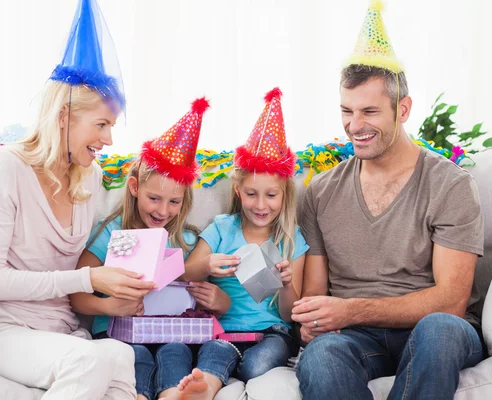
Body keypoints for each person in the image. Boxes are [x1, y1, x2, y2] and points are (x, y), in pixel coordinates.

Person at [0, 1, 155, 398]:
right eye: (101, 124)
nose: (108, 140)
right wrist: (89, 278)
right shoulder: (6, 170)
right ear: (64, 117)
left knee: (119, 355)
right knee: (90, 360)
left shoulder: (89, 177)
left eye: (111, 126)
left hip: (63, 333)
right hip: (1, 331)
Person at [292, 2, 485, 399]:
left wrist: (350, 309)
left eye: (369, 111)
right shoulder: (320, 192)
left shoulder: (451, 185)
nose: (354, 125)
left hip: (433, 330)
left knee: (443, 330)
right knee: (322, 355)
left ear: (403, 109)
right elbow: (315, 293)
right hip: (356, 338)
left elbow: (450, 302)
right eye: (346, 110)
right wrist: (313, 319)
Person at [71, 98, 231, 400]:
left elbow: (199, 297)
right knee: (136, 357)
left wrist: (216, 300)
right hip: (119, 332)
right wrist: (107, 306)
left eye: (174, 202)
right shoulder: (112, 231)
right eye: (154, 198)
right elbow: (76, 291)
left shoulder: (185, 240)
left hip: (170, 333)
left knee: (175, 352)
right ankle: (139, 395)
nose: (163, 211)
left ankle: (175, 394)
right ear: (134, 188)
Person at [179, 88, 308, 400]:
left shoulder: (292, 239)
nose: (260, 204)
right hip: (223, 329)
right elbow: (184, 273)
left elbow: (290, 315)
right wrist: (207, 265)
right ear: (238, 192)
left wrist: (287, 284)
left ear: (284, 194)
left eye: (271, 195)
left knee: (258, 364)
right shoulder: (223, 228)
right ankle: (204, 388)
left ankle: (229, 374)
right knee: (213, 353)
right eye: (251, 194)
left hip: (271, 333)